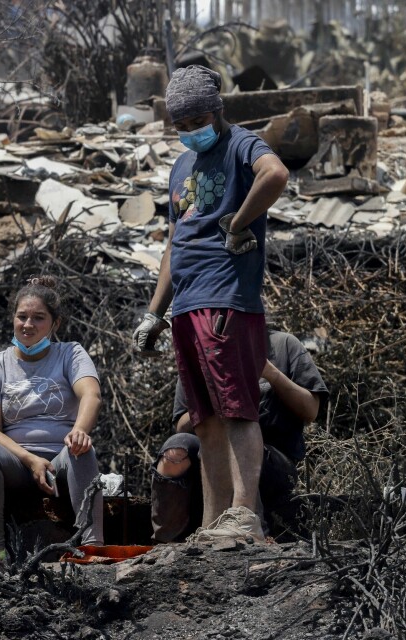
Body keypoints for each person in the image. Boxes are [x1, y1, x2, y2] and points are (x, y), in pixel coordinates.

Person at [132, 65, 290, 544]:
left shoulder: (242, 144)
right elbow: (173, 242)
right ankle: (214, 521)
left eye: (196, 121)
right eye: (180, 125)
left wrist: (240, 222)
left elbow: (276, 173)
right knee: (204, 419)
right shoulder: (181, 167)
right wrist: (154, 313)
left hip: (226, 296)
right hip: (186, 304)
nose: (189, 132)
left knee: (237, 408)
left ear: (217, 111)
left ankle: (244, 513)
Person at [0, 276, 104, 573]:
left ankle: (91, 549)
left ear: (55, 324)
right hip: (15, 460)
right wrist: (29, 460)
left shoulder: (71, 353)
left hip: (61, 457)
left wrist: (79, 430)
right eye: (22, 316)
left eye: (38, 318)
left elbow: (90, 394)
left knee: (83, 449)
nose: (28, 325)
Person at [151, 329, 329, 542]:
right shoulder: (198, 355)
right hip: (210, 453)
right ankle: (166, 541)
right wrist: (211, 398)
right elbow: (181, 425)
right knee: (175, 449)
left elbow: (311, 410)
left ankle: (253, 530)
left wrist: (271, 374)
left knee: (232, 443)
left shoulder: (283, 345)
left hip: (275, 460)